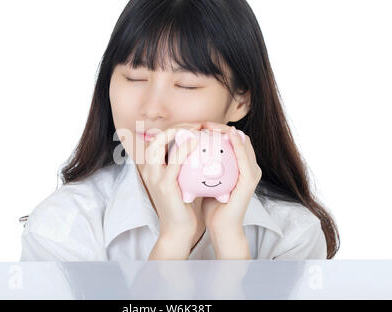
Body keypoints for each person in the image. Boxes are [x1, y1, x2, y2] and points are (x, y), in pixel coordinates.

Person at [20, 0, 340, 261]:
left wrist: (230, 241)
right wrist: (174, 238)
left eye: (186, 84)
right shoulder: (62, 228)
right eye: (135, 78)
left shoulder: (292, 235)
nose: (152, 108)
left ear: (240, 100)